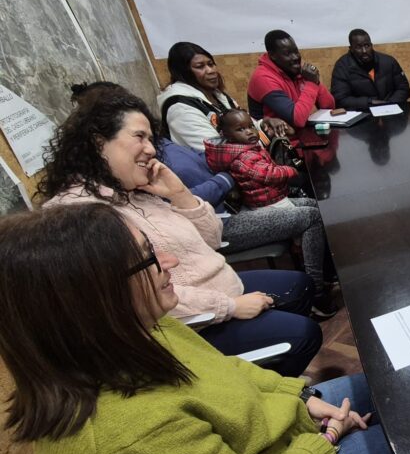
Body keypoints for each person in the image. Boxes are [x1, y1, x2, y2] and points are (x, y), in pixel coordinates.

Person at [0, 203, 409, 454]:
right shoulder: (126, 443)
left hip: (268, 446)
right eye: (148, 258)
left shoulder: (139, 331)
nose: (170, 261)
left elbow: (227, 369)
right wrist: (327, 439)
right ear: (95, 298)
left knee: (401, 386)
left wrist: (301, 397)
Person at [38, 91, 329, 376]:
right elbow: (140, 300)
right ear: (98, 142)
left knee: (300, 287)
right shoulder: (81, 217)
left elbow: (213, 239)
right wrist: (229, 307)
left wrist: (179, 194)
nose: (151, 149)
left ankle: (268, 374)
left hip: (214, 287)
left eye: (150, 139)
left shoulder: (133, 191)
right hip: (189, 326)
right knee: (304, 334)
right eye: (139, 137)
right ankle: (250, 386)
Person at [204, 109, 337, 306]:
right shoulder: (241, 156)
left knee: (313, 205)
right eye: (241, 129)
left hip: (272, 198)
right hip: (264, 205)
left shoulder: (244, 148)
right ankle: (316, 289)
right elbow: (268, 174)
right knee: (313, 217)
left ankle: (325, 271)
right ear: (226, 134)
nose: (250, 131)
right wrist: (291, 170)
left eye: (250, 126)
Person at [158, 41, 293, 152]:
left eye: (211, 64)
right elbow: (216, 151)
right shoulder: (179, 107)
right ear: (184, 73)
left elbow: (244, 125)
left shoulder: (218, 96)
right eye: (200, 67)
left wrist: (264, 124)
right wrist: (265, 137)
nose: (211, 71)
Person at [248, 30, 335, 128]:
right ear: (272, 55)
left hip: (300, 133)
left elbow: (329, 107)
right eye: (287, 53)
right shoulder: (263, 78)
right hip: (275, 136)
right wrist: (311, 84)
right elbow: (297, 120)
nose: (295, 57)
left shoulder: (292, 68)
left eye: (296, 51)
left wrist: (316, 82)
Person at [330, 29, 410, 110]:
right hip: (363, 113)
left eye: (367, 46)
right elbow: (340, 99)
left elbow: (404, 89)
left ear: (371, 45)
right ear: (351, 49)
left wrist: (389, 105)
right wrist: (370, 102)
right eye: (358, 47)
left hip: (392, 110)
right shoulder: (342, 67)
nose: (364, 51)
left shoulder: (388, 61)